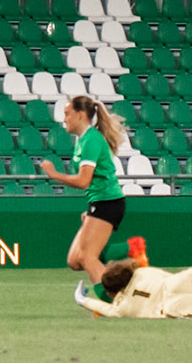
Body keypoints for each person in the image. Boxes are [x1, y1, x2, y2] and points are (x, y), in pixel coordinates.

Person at [37, 94, 127, 284]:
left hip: (108, 202)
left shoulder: (91, 140)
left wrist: (55, 175)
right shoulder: (83, 139)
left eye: (67, 113)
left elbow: (84, 180)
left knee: (87, 257)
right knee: (74, 261)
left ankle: (111, 300)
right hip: (99, 202)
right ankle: (132, 249)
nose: (64, 119)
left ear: (80, 115)